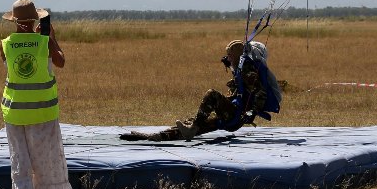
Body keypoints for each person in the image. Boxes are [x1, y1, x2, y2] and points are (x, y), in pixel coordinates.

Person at [0, 0, 76, 189]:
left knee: (19, 161)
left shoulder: (5, 44)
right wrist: (51, 38)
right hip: (42, 113)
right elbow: (60, 62)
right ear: (35, 20)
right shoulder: (44, 42)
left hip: (14, 113)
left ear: (13, 21)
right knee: (41, 163)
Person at [120, 39, 282, 142]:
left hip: (236, 115)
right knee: (195, 124)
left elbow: (260, 92)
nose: (227, 58)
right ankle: (157, 136)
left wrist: (252, 112)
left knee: (212, 95)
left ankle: (191, 128)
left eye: (230, 55)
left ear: (238, 54)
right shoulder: (240, 69)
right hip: (231, 116)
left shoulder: (248, 70)